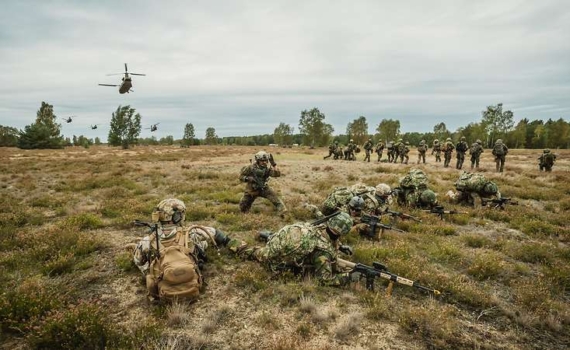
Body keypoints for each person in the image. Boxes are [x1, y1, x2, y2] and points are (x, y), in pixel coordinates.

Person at [220, 212, 355, 286]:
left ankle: (268, 236)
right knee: (255, 253)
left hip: (287, 242)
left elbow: (331, 238)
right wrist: (349, 277)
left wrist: (341, 247)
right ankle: (226, 240)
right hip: (277, 260)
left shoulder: (322, 227)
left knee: (275, 240)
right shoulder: (322, 252)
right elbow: (324, 280)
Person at [132, 198, 227, 302]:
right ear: (178, 216)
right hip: (191, 281)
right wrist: (228, 242)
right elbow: (215, 233)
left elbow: (138, 261)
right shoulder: (190, 233)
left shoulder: (147, 241)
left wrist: (148, 271)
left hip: (164, 287)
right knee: (200, 244)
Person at [239, 151, 287, 216]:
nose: (264, 162)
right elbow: (240, 177)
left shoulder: (266, 169)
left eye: (266, 161)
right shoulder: (250, 168)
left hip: (263, 188)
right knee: (243, 207)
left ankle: (282, 213)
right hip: (252, 189)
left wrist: (274, 164)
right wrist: (248, 178)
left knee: (277, 201)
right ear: (258, 161)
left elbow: (277, 174)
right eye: (262, 161)